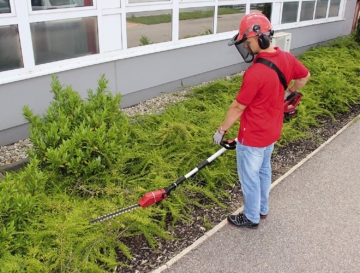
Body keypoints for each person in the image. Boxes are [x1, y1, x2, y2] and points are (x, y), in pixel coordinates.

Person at [213, 13, 310, 229]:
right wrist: (290, 92)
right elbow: (304, 76)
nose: (246, 47)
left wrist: (221, 131)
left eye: (247, 42)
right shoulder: (287, 58)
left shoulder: (255, 73)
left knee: (249, 178)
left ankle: (251, 217)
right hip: (272, 133)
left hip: (253, 137)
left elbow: (238, 107)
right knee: (264, 170)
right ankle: (262, 209)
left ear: (260, 38)